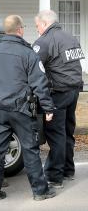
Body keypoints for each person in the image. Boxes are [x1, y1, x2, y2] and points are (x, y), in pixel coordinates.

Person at [0, 15, 56, 201]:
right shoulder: (29, 54)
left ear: (6, 30)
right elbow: (40, 83)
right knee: (30, 149)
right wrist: (48, 108)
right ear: (20, 30)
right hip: (21, 109)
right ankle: (40, 191)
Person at [33, 10, 84, 188]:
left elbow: (32, 66)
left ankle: (55, 176)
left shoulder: (45, 41)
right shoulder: (70, 37)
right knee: (67, 130)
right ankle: (68, 169)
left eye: (37, 26)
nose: (37, 30)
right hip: (74, 90)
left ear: (45, 23)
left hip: (58, 93)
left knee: (56, 134)